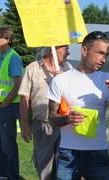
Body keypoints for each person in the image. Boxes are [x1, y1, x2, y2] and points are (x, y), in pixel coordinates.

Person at [45, 31, 109, 180]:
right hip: (68, 152)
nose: (104, 59)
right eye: (100, 53)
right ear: (84, 50)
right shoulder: (61, 80)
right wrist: (68, 119)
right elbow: (51, 118)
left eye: (107, 54)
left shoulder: (107, 79)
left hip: (98, 153)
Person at [18, 45, 71, 180]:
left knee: (64, 169)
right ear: (52, 50)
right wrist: (25, 126)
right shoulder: (32, 68)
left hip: (65, 126)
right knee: (45, 170)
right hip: (42, 126)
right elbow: (24, 98)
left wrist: (64, 80)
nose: (68, 53)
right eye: (65, 49)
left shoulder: (68, 69)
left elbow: (74, 96)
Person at [0, 27, 23, 180]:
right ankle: (2, 171)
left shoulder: (13, 58)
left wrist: (4, 104)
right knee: (0, 143)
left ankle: (12, 176)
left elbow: (18, 83)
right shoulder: (1, 58)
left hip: (7, 107)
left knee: (9, 146)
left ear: (7, 40)